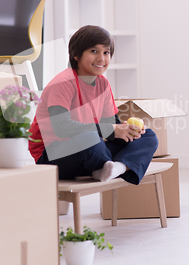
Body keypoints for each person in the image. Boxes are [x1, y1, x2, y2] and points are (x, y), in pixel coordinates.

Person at [29, 25, 158, 184]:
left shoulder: (103, 84)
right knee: (90, 139)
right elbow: (61, 127)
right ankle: (112, 166)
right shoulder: (62, 83)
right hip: (52, 155)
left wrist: (126, 130)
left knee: (148, 136)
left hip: (89, 150)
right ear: (76, 55)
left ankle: (116, 167)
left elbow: (110, 125)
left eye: (106, 52)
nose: (101, 59)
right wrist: (111, 130)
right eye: (94, 51)